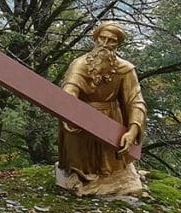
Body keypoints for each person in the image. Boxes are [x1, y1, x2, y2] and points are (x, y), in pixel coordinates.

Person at [56, 21, 146, 196]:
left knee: (112, 165)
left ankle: (112, 176)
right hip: (81, 120)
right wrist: (70, 114)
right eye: (102, 38)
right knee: (77, 160)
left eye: (111, 41)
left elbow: (135, 100)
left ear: (117, 44)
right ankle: (77, 174)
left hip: (111, 121)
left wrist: (133, 131)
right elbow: (69, 90)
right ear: (95, 39)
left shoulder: (125, 69)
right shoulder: (80, 64)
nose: (105, 44)